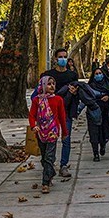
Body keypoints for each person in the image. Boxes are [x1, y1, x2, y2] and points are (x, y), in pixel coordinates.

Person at [38, 48, 79, 179]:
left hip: (65, 111)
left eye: (65, 57)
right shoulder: (48, 75)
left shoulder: (72, 75)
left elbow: (76, 94)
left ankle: (63, 165)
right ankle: (48, 164)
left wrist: (74, 93)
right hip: (49, 113)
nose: (63, 59)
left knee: (66, 138)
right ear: (55, 59)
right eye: (60, 57)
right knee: (47, 139)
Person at [29, 76, 69, 194]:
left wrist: (64, 133)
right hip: (40, 132)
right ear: (43, 86)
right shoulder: (36, 100)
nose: (52, 86)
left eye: (53, 84)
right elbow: (32, 115)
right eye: (49, 84)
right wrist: (33, 126)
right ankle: (50, 172)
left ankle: (45, 183)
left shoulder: (58, 100)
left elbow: (62, 117)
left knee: (49, 157)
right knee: (44, 157)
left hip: (53, 131)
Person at [86, 67, 109, 161]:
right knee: (94, 133)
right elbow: (85, 98)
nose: (98, 75)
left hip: (105, 113)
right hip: (93, 113)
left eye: (100, 73)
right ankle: (95, 153)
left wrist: (108, 97)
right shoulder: (90, 86)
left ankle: (103, 146)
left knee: (104, 132)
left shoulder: (108, 85)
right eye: (96, 74)